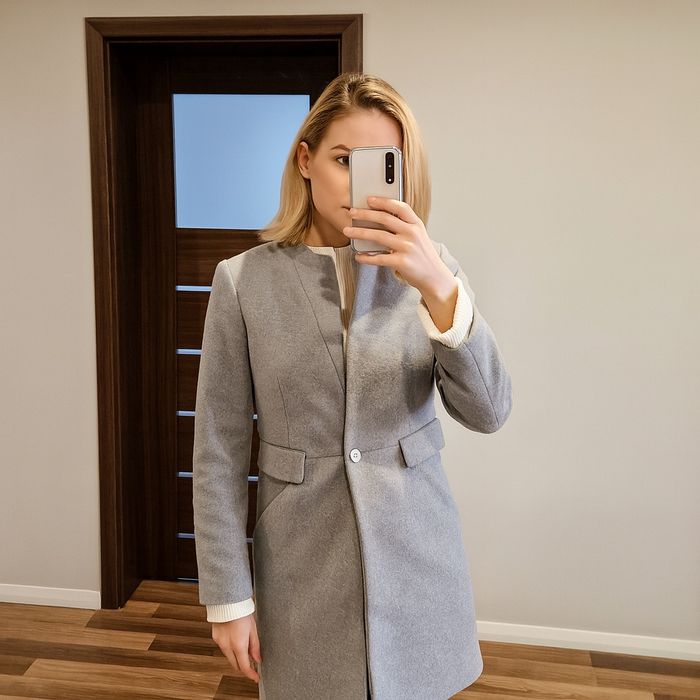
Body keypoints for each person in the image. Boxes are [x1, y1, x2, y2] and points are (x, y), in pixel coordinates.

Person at [192, 72, 513, 700]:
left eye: (382, 163)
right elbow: (219, 450)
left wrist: (439, 289)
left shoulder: (432, 270)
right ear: (305, 161)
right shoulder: (242, 281)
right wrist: (227, 595)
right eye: (344, 160)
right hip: (301, 562)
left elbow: (489, 411)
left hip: (419, 556)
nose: (359, 181)